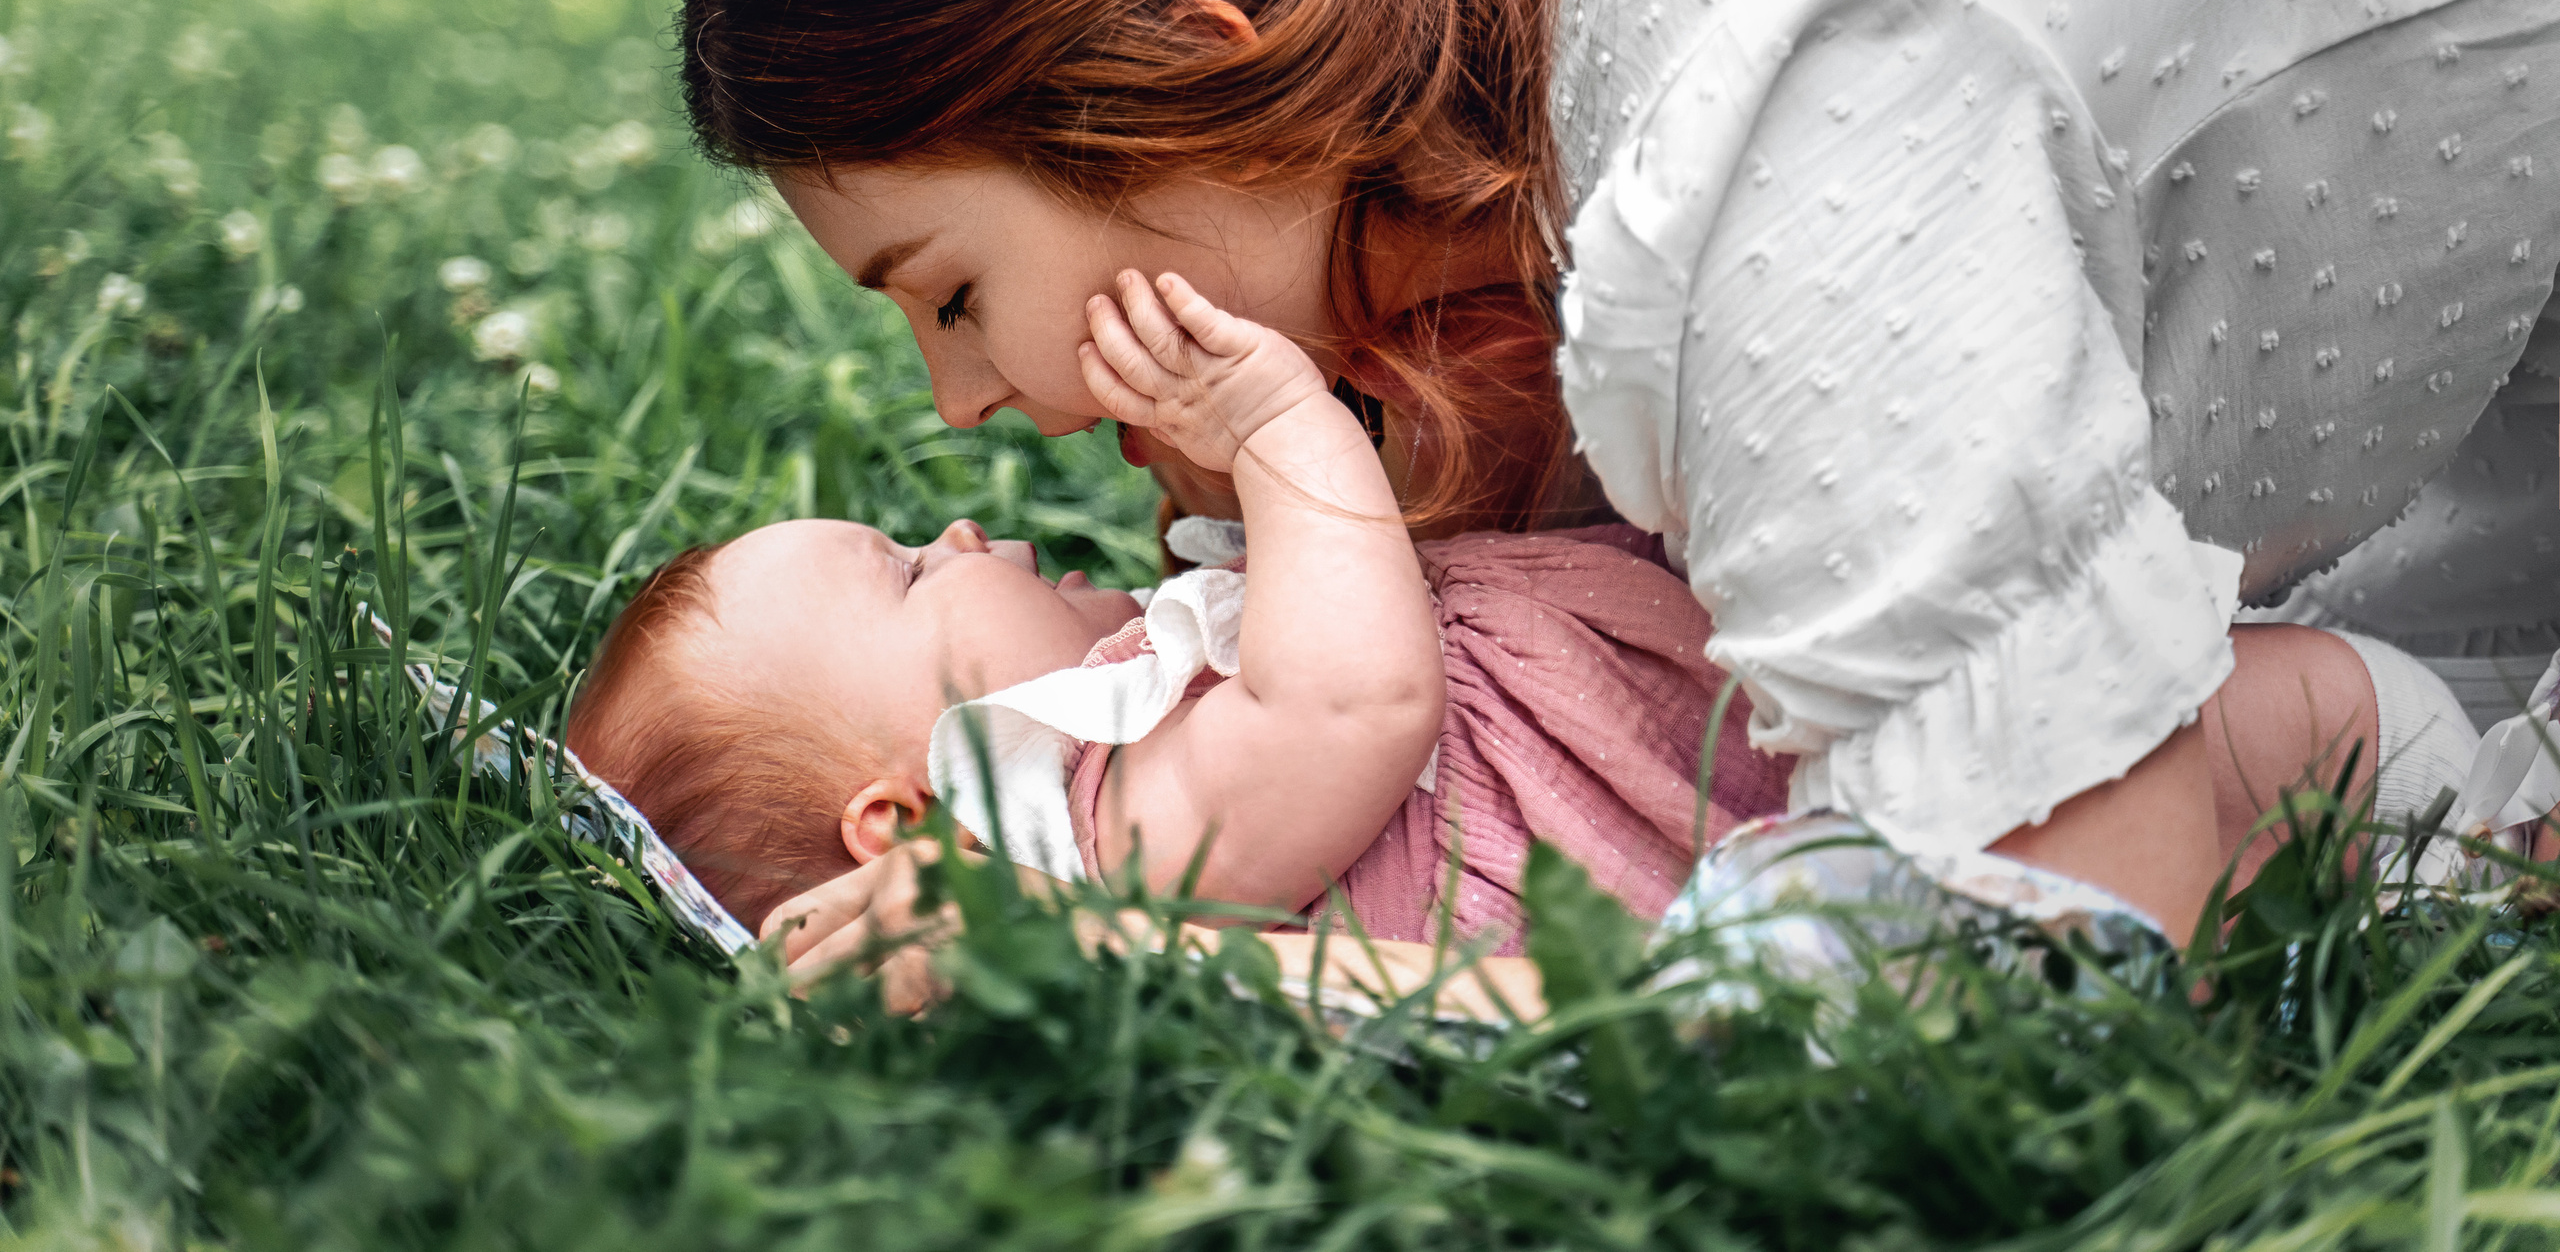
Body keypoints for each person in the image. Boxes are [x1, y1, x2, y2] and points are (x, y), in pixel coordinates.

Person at [675, 0, 2560, 943]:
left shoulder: (1777, 106)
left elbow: (2063, 952)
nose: (964, 406)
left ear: (1186, 66)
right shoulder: (1544, 131)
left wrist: (1139, 967)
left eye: (951, 292)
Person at [566, 270, 1791, 940]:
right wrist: (1274, 431)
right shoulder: (1114, 837)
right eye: (905, 571)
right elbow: (1354, 700)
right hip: (1706, 821)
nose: (952, 533)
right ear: (902, 822)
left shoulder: (1150, 740)